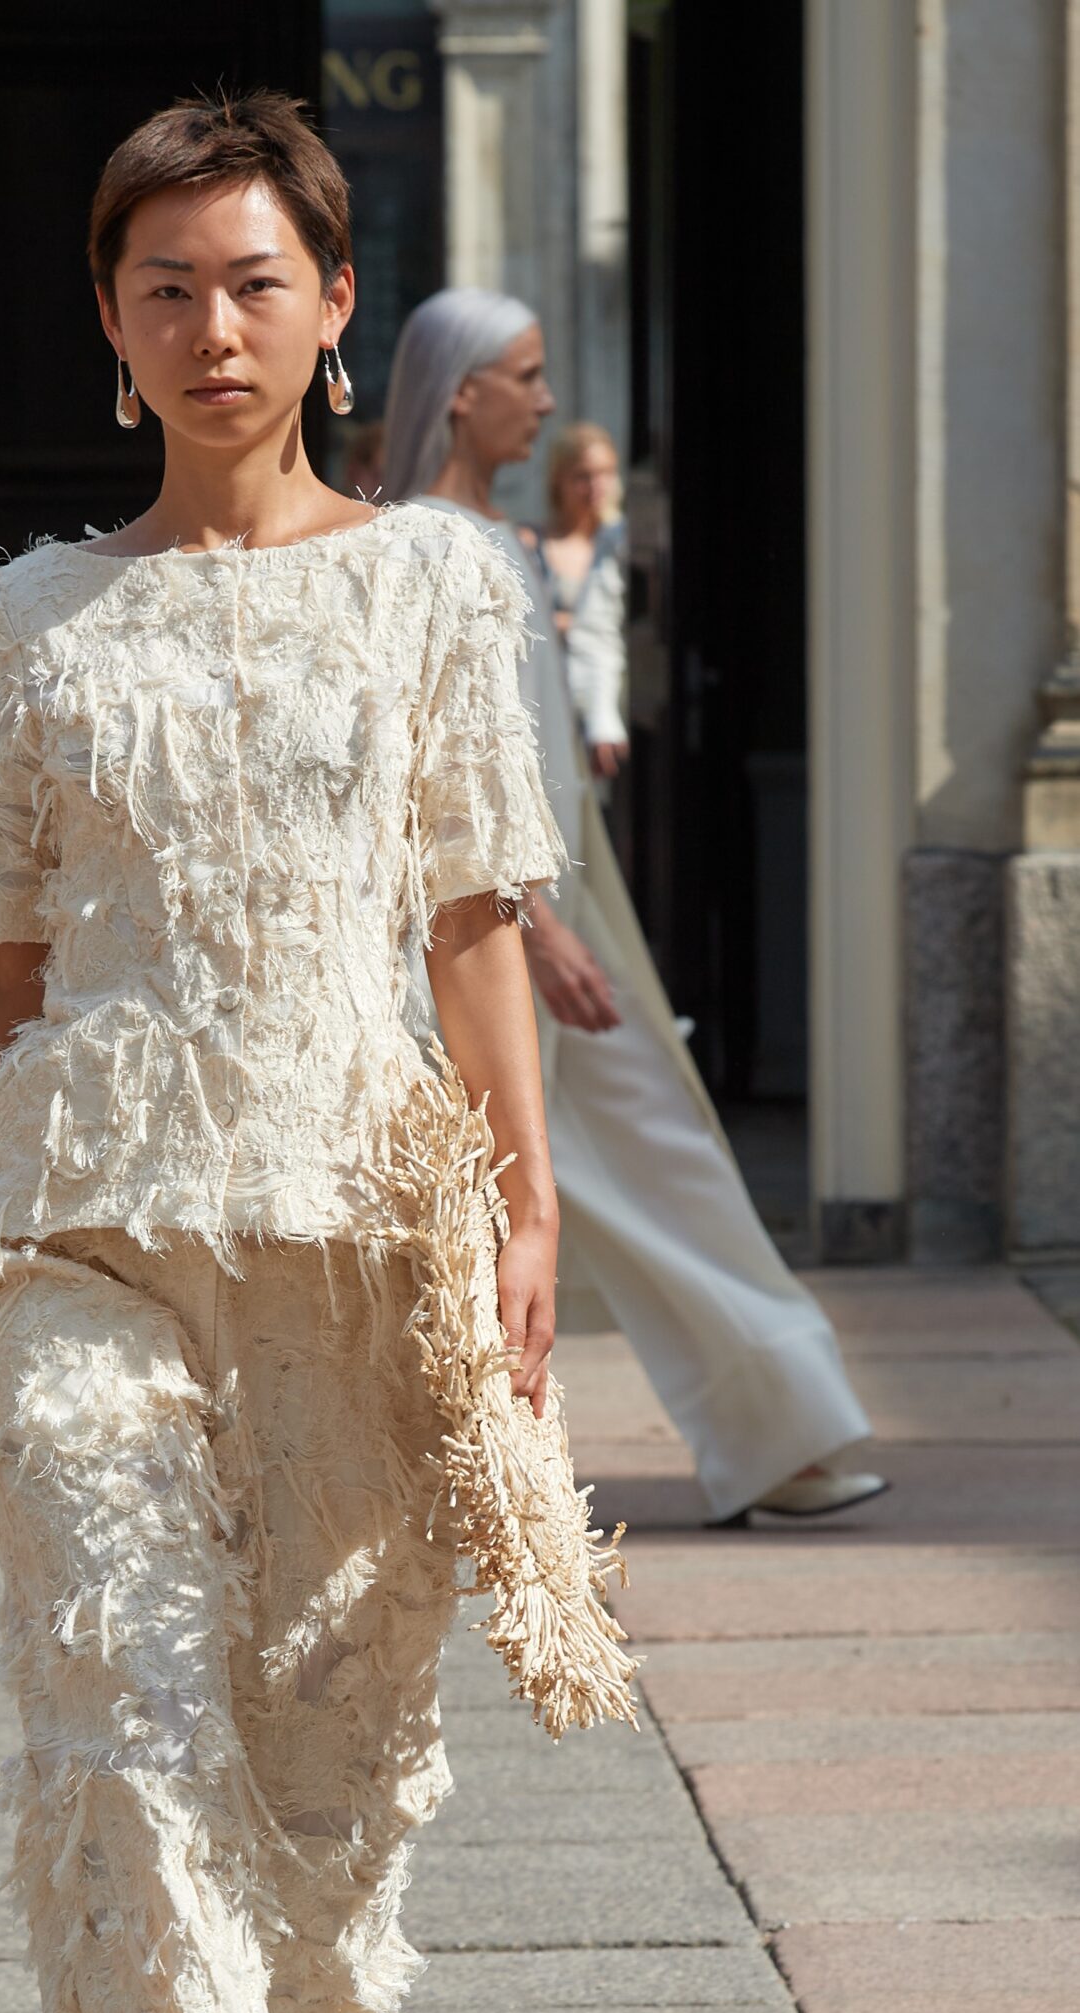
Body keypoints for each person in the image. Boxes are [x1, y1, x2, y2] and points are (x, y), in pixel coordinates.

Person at [0, 104, 568, 2013]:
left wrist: (522, 1206)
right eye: (160, 285)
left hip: (357, 1223)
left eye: (251, 280)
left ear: (332, 304)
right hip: (78, 1222)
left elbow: (472, 918)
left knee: (328, 1765)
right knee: (121, 1722)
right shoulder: (35, 620)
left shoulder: (434, 595)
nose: (209, 327)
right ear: (107, 323)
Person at [381, 287, 887, 1526]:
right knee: (521, 1185)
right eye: (528, 375)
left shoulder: (488, 540)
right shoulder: (420, 552)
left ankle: (784, 1427)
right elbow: (429, 768)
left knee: (647, 1156)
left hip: (559, 906)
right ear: (463, 391)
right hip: (494, 924)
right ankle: (770, 1433)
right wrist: (535, 929)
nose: (549, 402)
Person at [528, 421, 630, 781]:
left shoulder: (623, 544)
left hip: (615, 706)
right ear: (560, 480)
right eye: (583, 476)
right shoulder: (531, 542)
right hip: (548, 709)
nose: (595, 486)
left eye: (605, 473)